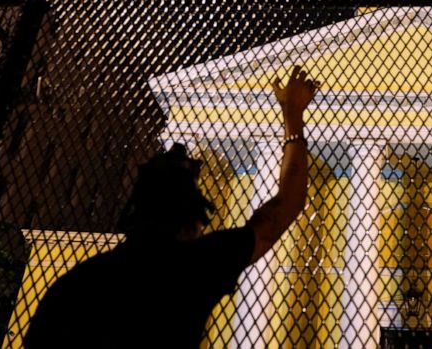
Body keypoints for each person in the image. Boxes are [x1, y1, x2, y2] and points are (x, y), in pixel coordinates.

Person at [24, 65, 318, 348]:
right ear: (190, 220)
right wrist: (293, 113)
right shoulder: (193, 267)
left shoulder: (75, 285)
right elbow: (285, 206)